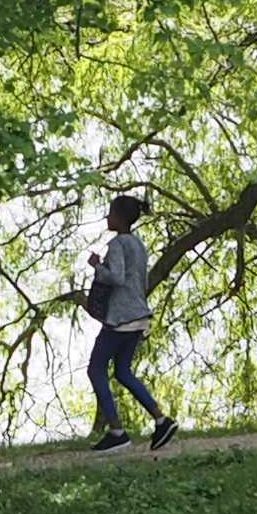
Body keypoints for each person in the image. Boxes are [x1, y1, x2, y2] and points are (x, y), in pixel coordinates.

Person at [81, 191, 177, 452]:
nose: (107, 217)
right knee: (122, 371)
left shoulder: (117, 244)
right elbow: (138, 280)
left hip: (121, 319)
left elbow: (117, 278)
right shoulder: (138, 244)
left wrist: (97, 267)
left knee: (95, 369)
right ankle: (161, 419)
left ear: (120, 218)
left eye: (111, 213)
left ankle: (117, 431)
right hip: (139, 315)